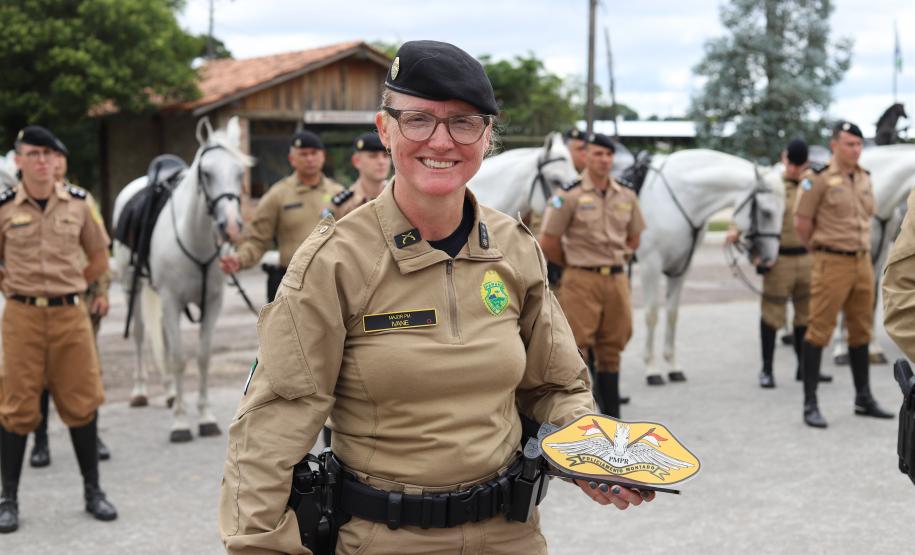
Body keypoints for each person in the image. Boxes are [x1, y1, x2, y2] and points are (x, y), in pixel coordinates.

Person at [218, 40, 653, 555]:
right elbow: (272, 425)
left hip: (510, 534)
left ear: (486, 136)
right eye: (419, 120)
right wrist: (260, 547)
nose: (442, 141)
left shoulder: (514, 248)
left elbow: (555, 384)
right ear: (385, 130)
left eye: (464, 123)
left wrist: (590, 451)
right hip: (385, 538)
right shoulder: (334, 261)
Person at [0, 126, 117, 533]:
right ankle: (8, 500)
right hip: (22, 318)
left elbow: (100, 258)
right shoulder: (3, 207)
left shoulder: (80, 205)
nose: (42, 161)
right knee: (16, 407)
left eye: (48, 154)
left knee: (83, 401)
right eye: (33, 154)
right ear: (18, 160)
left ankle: (93, 492)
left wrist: (69, 286)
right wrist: (17, 288)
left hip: (71, 316)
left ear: (56, 161)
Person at [537, 132, 644, 417]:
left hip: (617, 280)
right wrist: (575, 265)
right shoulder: (567, 195)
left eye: (608, 155)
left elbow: (634, 238)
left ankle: (614, 417)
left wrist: (615, 258)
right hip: (581, 279)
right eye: (597, 154)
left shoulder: (627, 194)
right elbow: (548, 242)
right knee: (577, 350)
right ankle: (580, 418)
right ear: (585, 157)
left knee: (613, 349)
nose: (604, 160)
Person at [794, 121, 893, 428]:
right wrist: (821, 251)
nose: (855, 149)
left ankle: (863, 398)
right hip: (831, 262)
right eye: (849, 143)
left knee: (862, 330)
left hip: (862, 262)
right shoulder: (817, 178)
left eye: (859, 144)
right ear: (834, 144)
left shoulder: (864, 177)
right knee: (818, 331)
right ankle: (810, 403)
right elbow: (802, 223)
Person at [28, 138, 112, 469]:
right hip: (40, 303)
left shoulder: (82, 201)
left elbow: (99, 250)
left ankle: (92, 433)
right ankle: (40, 440)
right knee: (39, 374)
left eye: (60, 156)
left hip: (81, 298)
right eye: (49, 156)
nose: (55, 162)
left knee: (85, 372)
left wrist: (102, 290)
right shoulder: (27, 200)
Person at [726, 139, 832, 388]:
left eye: (799, 164)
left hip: (807, 259)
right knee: (772, 315)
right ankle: (767, 369)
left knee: (805, 317)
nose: (794, 169)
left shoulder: (813, 183)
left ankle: (803, 367)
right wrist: (742, 238)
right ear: (784, 158)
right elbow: (751, 216)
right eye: (791, 163)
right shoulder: (770, 184)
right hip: (779, 259)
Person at [219, 130, 342, 302]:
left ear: (323, 157)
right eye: (303, 154)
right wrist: (239, 260)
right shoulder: (278, 195)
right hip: (293, 285)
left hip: (333, 284)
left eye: (314, 153)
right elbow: (258, 240)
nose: (309, 159)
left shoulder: (339, 193)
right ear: (292, 159)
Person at [322, 132, 391, 220]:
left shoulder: (399, 198)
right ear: (356, 161)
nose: (381, 162)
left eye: (386, 156)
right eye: (373, 156)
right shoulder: (341, 204)